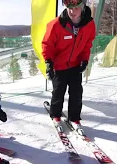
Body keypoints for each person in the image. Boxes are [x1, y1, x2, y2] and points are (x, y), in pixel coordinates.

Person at [42, 0, 96, 134]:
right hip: (59, 66)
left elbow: (87, 44)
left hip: (75, 65)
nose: (72, 11)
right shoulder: (56, 24)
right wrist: (49, 62)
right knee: (58, 92)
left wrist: (84, 59)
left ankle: (75, 118)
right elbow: (47, 44)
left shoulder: (89, 24)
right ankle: (56, 115)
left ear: (83, 6)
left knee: (76, 93)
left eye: (76, 7)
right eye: (69, 7)